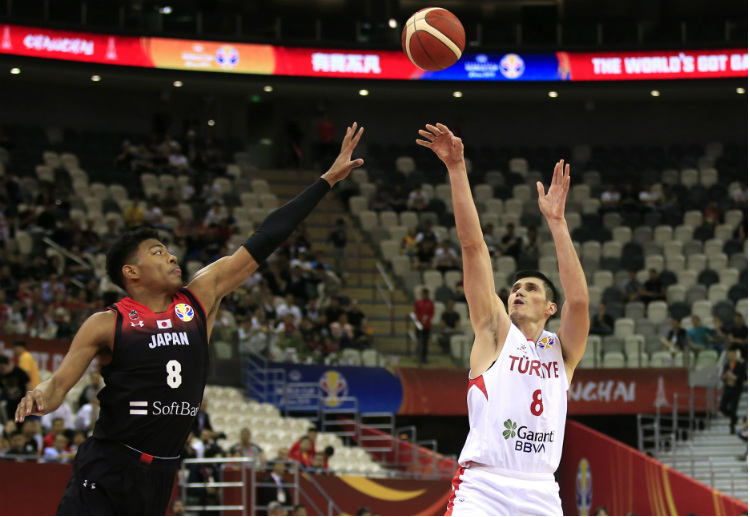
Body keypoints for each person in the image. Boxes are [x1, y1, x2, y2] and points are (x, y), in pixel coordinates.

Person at [14, 123, 365, 515]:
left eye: (169, 251)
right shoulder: (107, 322)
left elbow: (266, 237)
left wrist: (326, 181)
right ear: (131, 272)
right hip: (110, 461)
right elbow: (60, 383)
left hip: (162, 472)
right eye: (158, 252)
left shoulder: (200, 297)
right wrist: (41, 396)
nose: (172, 257)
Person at [417, 124, 588, 516]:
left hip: (542, 490)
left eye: (531, 288)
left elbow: (578, 300)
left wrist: (558, 224)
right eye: (515, 287)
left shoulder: (561, 353)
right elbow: (473, 247)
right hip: (484, 486)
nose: (518, 291)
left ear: (550, 308)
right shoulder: (495, 332)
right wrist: (457, 168)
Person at [719, 348, 747, 434]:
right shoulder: (726, 365)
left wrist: (736, 378)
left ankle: (732, 427)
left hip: (736, 389)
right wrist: (725, 379)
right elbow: (723, 376)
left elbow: (745, 378)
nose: (731, 355)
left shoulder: (740, 365)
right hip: (728, 388)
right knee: (722, 407)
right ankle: (735, 418)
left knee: (733, 408)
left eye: (732, 354)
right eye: (729, 354)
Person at [414, 288, 435, 364]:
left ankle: (424, 357)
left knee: (425, 342)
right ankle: (418, 356)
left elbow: (432, 313)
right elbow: (416, 312)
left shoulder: (430, 303)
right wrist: (420, 319)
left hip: (427, 325)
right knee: (419, 341)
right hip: (419, 324)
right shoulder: (418, 302)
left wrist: (426, 319)